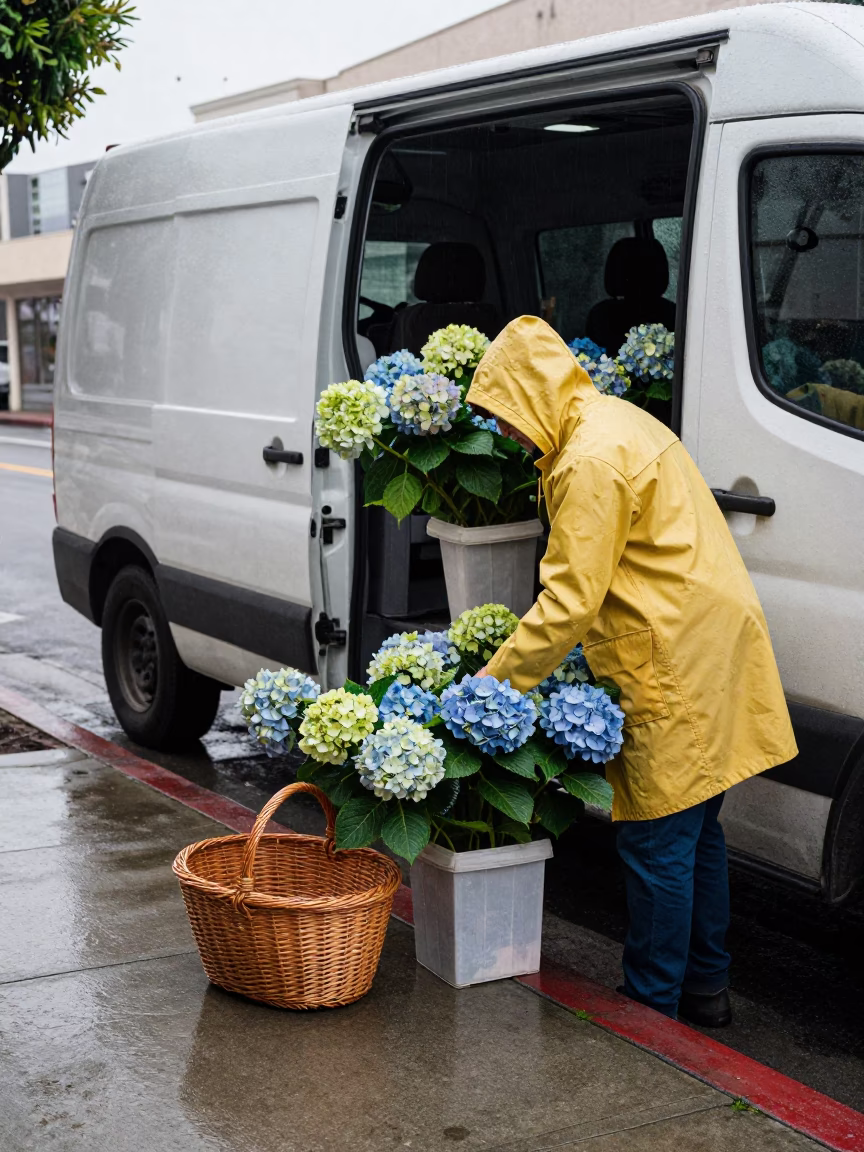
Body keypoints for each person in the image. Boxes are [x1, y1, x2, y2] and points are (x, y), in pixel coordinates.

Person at [467, 315, 797, 1027]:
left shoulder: (586, 459)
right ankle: (706, 991)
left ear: (530, 395)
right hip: (710, 642)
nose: (506, 433)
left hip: (673, 657)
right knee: (696, 833)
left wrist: (491, 686)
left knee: (655, 843)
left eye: (504, 414)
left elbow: (569, 601)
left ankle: (650, 1013)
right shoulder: (616, 419)